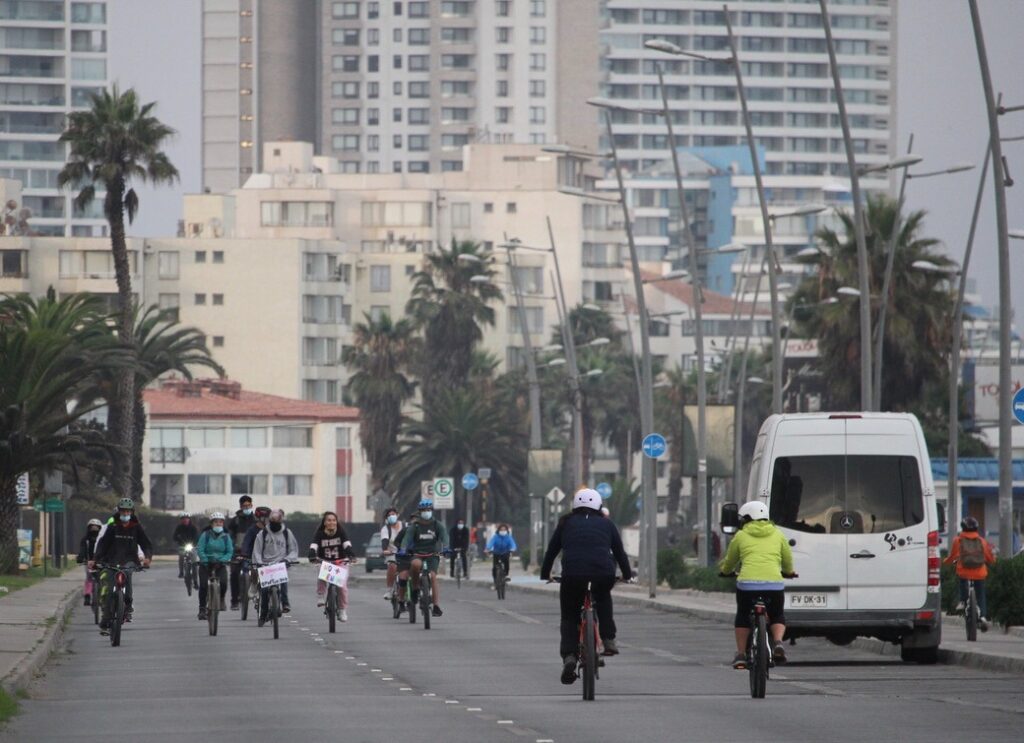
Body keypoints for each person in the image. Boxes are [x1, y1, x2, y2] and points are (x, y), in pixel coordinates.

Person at [541, 488, 633, 685]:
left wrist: (544, 574)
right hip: (603, 574)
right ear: (598, 506)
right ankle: (609, 640)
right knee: (603, 598)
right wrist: (627, 575)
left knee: (569, 615)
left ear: (575, 505)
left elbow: (552, 551)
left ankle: (569, 656)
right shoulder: (607, 524)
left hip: (572, 576)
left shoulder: (565, 524)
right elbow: (619, 553)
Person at [717, 500, 796, 670]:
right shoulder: (778, 534)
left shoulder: (741, 535)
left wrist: (725, 571)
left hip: (747, 585)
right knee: (777, 614)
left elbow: (730, 560)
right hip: (774, 585)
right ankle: (778, 643)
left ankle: (741, 655)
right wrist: (788, 572)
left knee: (743, 615)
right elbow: (787, 558)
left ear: (747, 518)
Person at [90, 498, 153, 635]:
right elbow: (103, 544)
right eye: (123, 511)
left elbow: (146, 544)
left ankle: (128, 604)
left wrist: (147, 558)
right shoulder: (113, 527)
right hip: (112, 560)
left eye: (128, 511)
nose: (125, 513)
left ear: (131, 512)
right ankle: (105, 622)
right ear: (119, 512)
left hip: (130, 560)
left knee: (128, 574)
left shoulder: (136, 527)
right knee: (108, 591)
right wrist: (95, 559)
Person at [944, 516, 997, 629]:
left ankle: (963, 601)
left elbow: (952, 556)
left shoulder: (958, 540)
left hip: (964, 572)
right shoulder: (982, 541)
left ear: (963, 529)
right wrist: (992, 561)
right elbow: (989, 558)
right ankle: (982, 616)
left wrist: (946, 562)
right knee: (981, 594)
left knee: (962, 581)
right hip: (980, 573)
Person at [400, 500, 450, 617]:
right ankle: (416, 588)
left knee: (433, 576)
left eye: (428, 510)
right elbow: (406, 538)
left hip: (433, 554)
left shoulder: (437, 525)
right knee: (415, 565)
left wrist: (446, 547)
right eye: (423, 510)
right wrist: (403, 548)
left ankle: (436, 606)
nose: (426, 512)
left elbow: (444, 536)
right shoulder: (415, 526)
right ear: (420, 512)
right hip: (418, 553)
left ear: (431, 511)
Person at [252, 509, 299, 620]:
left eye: (277, 521)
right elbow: (257, 550)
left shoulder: (287, 533)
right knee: (264, 589)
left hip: (280, 563)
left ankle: (285, 603)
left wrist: (288, 560)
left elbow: (293, 549)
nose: (274, 524)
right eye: (272, 521)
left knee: (283, 583)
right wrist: (258, 562)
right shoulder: (262, 533)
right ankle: (263, 612)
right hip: (265, 564)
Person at [308, 511, 355, 621]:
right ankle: (320, 595)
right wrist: (312, 553)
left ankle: (342, 609)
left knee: (342, 586)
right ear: (324, 522)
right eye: (329, 520)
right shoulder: (319, 534)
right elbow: (314, 545)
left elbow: (346, 544)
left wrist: (351, 553)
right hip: (325, 562)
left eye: (334, 520)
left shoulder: (340, 532)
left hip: (340, 562)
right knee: (322, 575)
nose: (332, 522)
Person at [196, 512, 233, 621]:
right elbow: (200, 549)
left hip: (220, 564)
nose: (218, 524)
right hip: (206, 564)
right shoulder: (205, 535)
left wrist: (222, 561)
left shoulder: (226, 537)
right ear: (211, 524)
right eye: (216, 522)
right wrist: (205, 560)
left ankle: (221, 599)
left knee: (224, 583)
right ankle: (202, 609)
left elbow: (229, 551)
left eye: (220, 522)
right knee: (203, 586)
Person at [227, 496, 257, 610]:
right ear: (240, 506)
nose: (247, 507)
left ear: (252, 505)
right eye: (244, 506)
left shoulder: (256, 520)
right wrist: (233, 546)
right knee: (234, 574)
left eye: (248, 505)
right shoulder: (235, 520)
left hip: (253, 552)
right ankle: (234, 601)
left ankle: (258, 596)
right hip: (237, 552)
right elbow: (229, 536)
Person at [75, 519, 103, 606]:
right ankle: (87, 596)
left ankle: (102, 596)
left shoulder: (102, 539)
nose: (94, 530)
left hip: (100, 562)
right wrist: (80, 558)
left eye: (96, 528)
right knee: (89, 578)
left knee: (102, 579)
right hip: (89, 561)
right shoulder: (86, 540)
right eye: (92, 527)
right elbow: (82, 550)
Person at [380, 508, 403, 599]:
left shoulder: (405, 525)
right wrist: (385, 550)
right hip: (392, 553)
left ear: (397, 515)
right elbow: (384, 541)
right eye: (389, 515)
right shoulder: (386, 529)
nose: (391, 516)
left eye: (393, 514)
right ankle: (389, 590)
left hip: (405, 553)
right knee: (392, 566)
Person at [172, 512, 199, 580]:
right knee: (181, 557)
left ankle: (195, 573)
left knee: (194, 560)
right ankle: (181, 572)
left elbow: (196, 537)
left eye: (186, 518)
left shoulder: (193, 528)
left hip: (192, 546)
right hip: (182, 546)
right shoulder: (179, 528)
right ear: (181, 520)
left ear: (189, 519)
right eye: (183, 519)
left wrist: (194, 543)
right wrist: (178, 539)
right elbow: (174, 537)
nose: (185, 520)